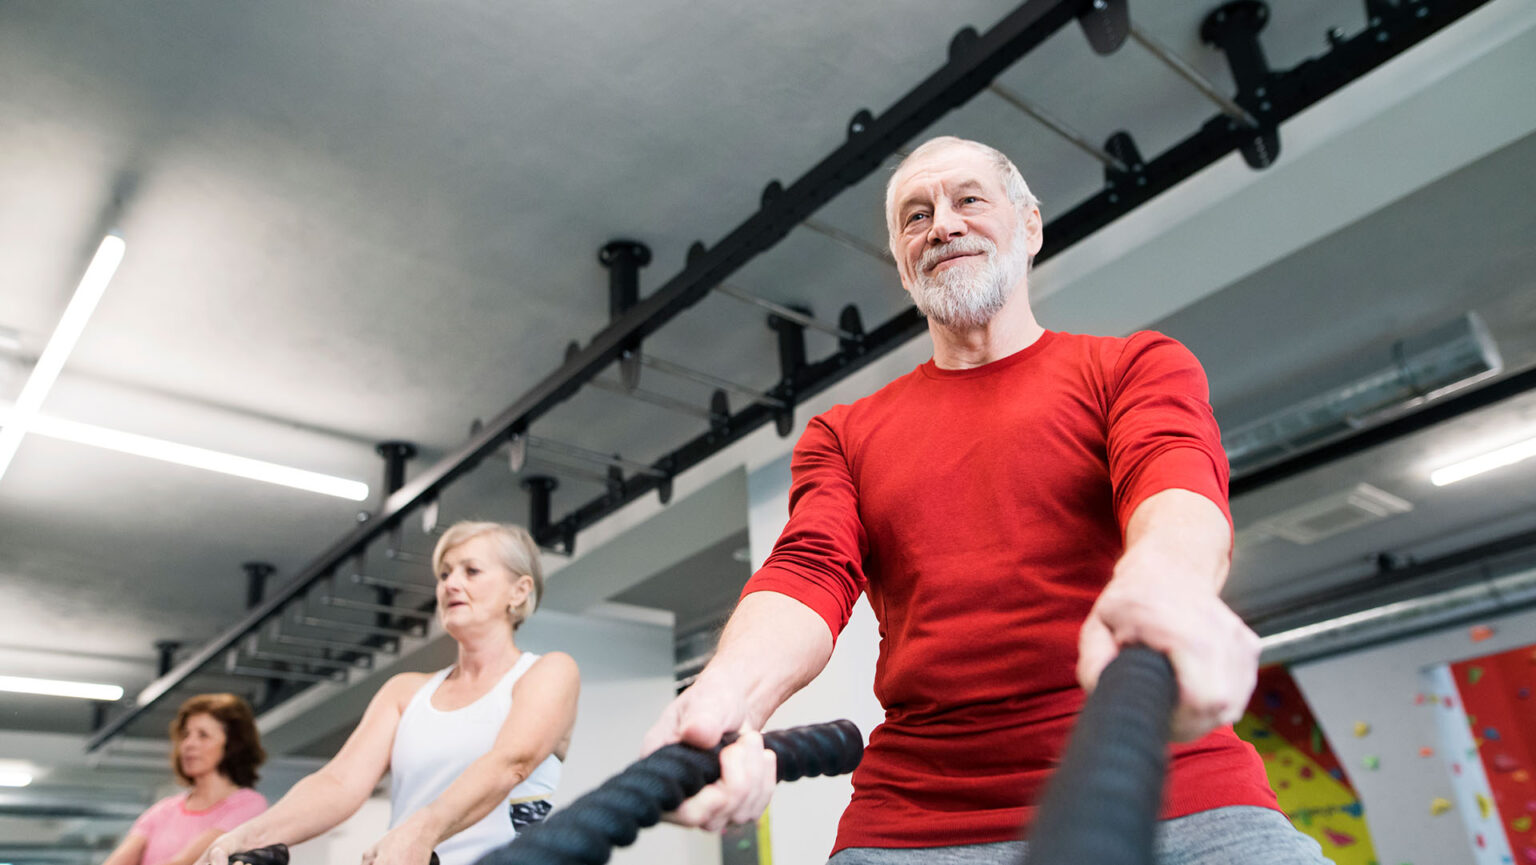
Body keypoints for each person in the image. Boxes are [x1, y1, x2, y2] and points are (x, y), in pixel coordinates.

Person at [643, 136, 1329, 863]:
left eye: (969, 198)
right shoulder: (842, 433)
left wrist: (1165, 585)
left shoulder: (1131, 366)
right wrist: (726, 698)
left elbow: (1174, 483)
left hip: (1171, 787)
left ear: (1029, 226)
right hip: (915, 822)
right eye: (915, 216)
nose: (942, 225)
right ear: (903, 266)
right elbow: (807, 571)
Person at [204, 521, 580, 865]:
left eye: (471, 571)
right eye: (444, 574)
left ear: (519, 590)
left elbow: (510, 763)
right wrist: (248, 835)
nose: (449, 584)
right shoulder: (404, 691)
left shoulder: (547, 672)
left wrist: (421, 832)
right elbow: (339, 783)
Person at [102, 693, 269, 865]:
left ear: (232, 745)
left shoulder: (249, 805)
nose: (189, 744)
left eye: (203, 735)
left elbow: (186, 862)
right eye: (186, 735)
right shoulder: (162, 811)